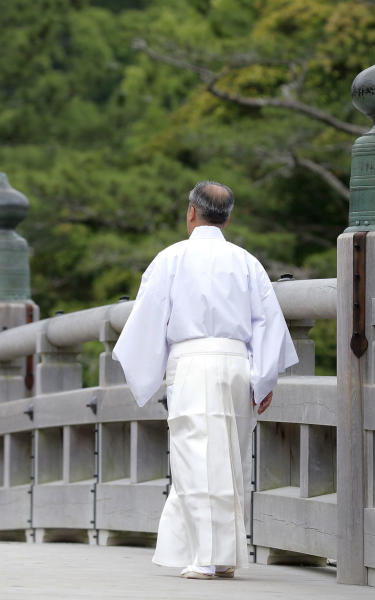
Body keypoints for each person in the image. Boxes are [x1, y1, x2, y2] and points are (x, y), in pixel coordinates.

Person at [112, 181, 297, 579]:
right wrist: (264, 380)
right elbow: (267, 324)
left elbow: (148, 318)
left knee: (196, 456)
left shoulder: (170, 259)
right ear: (228, 217)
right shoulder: (247, 262)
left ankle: (209, 557)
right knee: (229, 458)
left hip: (193, 362)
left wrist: (148, 371)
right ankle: (223, 555)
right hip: (236, 364)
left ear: (191, 213)